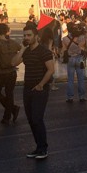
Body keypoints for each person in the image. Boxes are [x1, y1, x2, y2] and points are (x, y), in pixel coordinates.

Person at [11, 24, 55, 160]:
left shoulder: (44, 51)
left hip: (40, 89)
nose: (26, 37)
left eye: (29, 35)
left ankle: (43, 149)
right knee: (31, 120)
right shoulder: (26, 51)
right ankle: (38, 147)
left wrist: (41, 84)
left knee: (37, 118)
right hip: (27, 89)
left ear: (36, 36)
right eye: (25, 35)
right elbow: (14, 63)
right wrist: (22, 49)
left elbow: (51, 70)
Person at [0, 23, 21, 124]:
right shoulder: (14, 42)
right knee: (9, 93)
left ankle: (12, 110)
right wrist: (18, 61)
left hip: (2, 73)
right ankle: (9, 114)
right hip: (12, 72)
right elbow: (23, 51)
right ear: (7, 32)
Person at [63, 23, 87, 103]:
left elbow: (64, 50)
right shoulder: (82, 38)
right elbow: (84, 47)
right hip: (79, 59)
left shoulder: (65, 39)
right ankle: (82, 96)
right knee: (81, 79)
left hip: (70, 59)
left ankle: (70, 97)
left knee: (70, 79)